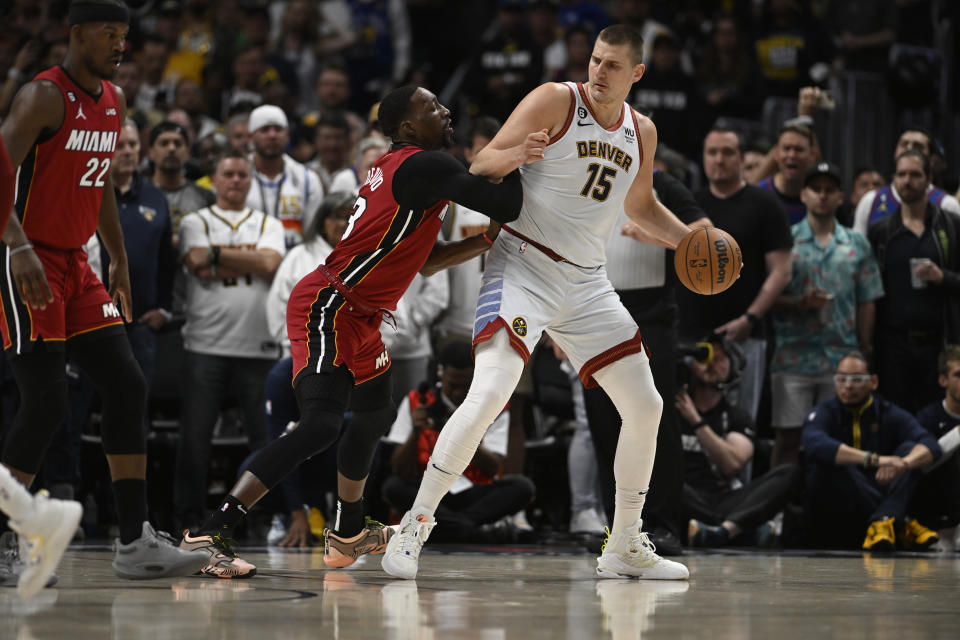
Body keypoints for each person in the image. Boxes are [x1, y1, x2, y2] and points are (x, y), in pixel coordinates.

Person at [382, 25, 691, 581]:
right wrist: (517, 153)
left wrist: (689, 239)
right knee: (489, 395)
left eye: (613, 66)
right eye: (595, 60)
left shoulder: (642, 132)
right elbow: (478, 167)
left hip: (588, 282)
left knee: (647, 406)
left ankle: (622, 544)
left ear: (637, 74)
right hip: (524, 262)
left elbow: (640, 208)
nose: (599, 72)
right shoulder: (555, 99)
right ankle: (412, 529)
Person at [178, 84, 525, 575]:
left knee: (373, 413)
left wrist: (485, 240)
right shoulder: (426, 164)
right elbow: (506, 202)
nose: (446, 111)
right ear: (407, 127)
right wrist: (522, 156)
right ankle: (208, 531)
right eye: (433, 107)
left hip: (359, 313)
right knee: (321, 424)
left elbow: (426, 263)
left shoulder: (407, 170)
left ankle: (347, 532)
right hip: (330, 304)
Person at [0, 0, 206, 583]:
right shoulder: (43, 96)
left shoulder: (113, 102)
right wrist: (16, 248)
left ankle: (135, 541)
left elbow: (101, 185)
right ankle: (7, 542)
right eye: (110, 34)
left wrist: (116, 255)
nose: (121, 44)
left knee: (126, 380)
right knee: (44, 401)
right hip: (27, 257)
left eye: (125, 34)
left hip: (77, 262)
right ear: (78, 33)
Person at [174, 150, 285, 536]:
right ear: (215, 181)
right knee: (195, 437)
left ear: (250, 181)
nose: (236, 180)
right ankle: (188, 514)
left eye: (242, 175)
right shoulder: (195, 220)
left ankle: (258, 515)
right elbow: (195, 262)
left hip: (258, 346)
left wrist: (218, 256)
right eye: (229, 174)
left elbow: (271, 263)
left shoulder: (269, 222)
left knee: (263, 439)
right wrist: (248, 256)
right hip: (205, 343)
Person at [769, 162, 884, 466]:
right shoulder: (786, 241)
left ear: (840, 197)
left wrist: (865, 346)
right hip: (794, 354)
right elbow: (767, 296)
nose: (822, 195)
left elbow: (868, 299)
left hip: (841, 358)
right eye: (815, 189)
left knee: (839, 440)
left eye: (829, 190)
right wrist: (798, 302)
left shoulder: (857, 244)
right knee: (788, 438)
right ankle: (777, 509)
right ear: (803, 195)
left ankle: (831, 509)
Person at [676, 127, 793, 422]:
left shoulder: (765, 205)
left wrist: (750, 318)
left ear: (741, 158)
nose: (719, 160)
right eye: (712, 153)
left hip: (743, 336)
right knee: (690, 424)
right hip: (693, 335)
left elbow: (781, 271)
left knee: (740, 422)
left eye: (727, 152)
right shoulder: (689, 204)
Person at [381, 341, 535, 542]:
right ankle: (470, 532)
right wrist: (416, 433)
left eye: (465, 386)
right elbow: (398, 468)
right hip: (428, 490)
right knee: (393, 487)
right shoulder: (416, 401)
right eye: (452, 385)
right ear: (440, 373)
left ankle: (447, 528)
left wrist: (466, 431)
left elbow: (492, 467)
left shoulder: (494, 404)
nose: (458, 393)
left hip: (473, 490)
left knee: (522, 487)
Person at [803, 352, 941, 550]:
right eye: (841, 379)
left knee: (909, 450)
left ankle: (883, 522)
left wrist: (904, 464)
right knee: (835, 458)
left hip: (877, 485)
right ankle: (897, 521)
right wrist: (874, 460)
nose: (848, 386)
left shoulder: (887, 411)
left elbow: (929, 444)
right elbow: (814, 443)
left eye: (857, 379)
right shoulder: (824, 411)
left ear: (874, 382)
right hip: (839, 500)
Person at [676, 335, 800, 548]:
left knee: (789, 472)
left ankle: (722, 531)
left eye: (720, 359)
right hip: (684, 496)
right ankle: (739, 531)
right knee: (660, 481)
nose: (712, 364)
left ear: (733, 367)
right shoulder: (670, 409)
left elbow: (732, 464)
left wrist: (695, 421)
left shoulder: (736, 417)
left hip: (724, 500)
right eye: (705, 357)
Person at [867, 151, 960, 414]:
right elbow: (868, 291)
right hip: (892, 346)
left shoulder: (951, 226)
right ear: (893, 180)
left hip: (938, 343)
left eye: (915, 174)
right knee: (894, 418)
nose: (908, 181)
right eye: (902, 174)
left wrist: (945, 278)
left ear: (929, 180)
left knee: (938, 419)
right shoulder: (881, 231)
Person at [245, 104, 325, 250]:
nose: (272, 135)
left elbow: (312, 236)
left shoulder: (308, 179)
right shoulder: (236, 175)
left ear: (287, 135)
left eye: (278, 129)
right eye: (264, 130)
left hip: (294, 265)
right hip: (249, 261)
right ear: (251, 137)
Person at [853, 128, 960, 235]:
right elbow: (859, 249)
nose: (909, 148)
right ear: (895, 152)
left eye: (918, 146)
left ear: (931, 159)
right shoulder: (870, 201)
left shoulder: (947, 204)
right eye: (904, 144)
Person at [913, 345, 960, 545]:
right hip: (935, 512)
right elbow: (921, 467)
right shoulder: (927, 417)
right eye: (959, 375)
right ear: (943, 380)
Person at [755, 123, 819, 225]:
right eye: (786, 148)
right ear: (776, 154)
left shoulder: (821, 197)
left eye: (799, 149)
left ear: (812, 155)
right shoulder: (759, 194)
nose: (792, 155)